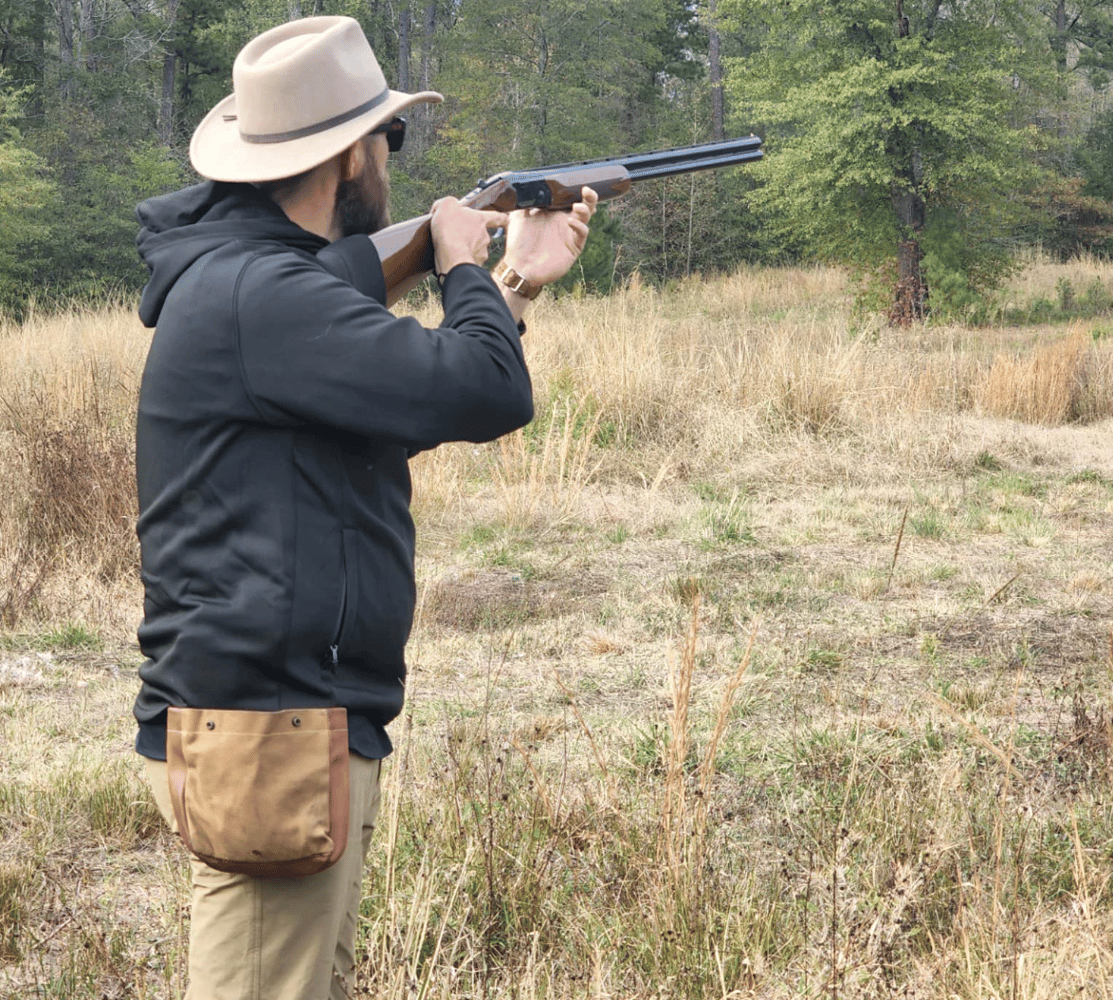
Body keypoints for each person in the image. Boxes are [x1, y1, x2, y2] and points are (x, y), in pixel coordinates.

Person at [132, 15, 596, 1000]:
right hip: (269, 731)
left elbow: (409, 398)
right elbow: (484, 391)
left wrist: (513, 280)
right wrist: (463, 261)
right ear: (350, 156)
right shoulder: (267, 296)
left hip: (291, 726)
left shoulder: (262, 289)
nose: (391, 161)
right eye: (388, 141)